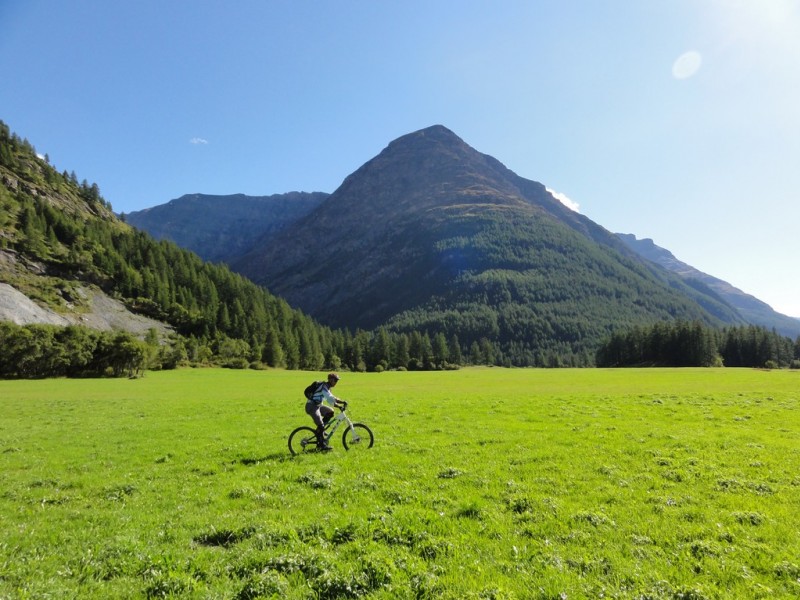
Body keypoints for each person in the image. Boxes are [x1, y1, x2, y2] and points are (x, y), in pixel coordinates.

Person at [305, 372, 346, 450]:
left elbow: (330, 401)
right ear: (330, 380)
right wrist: (342, 402)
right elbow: (330, 397)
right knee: (321, 425)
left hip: (318, 406)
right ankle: (321, 445)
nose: (336, 382)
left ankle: (320, 431)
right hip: (311, 406)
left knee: (330, 412)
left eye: (337, 381)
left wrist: (338, 406)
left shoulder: (327, 387)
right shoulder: (323, 386)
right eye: (335, 380)